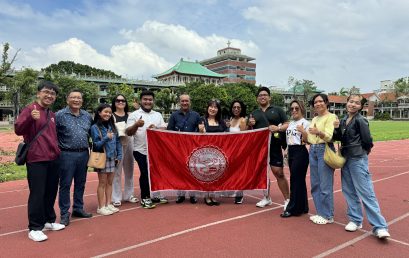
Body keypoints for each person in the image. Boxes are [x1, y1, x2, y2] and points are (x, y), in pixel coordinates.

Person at [333, 94, 390, 238]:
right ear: (347, 103)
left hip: (357, 158)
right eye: (351, 101)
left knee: (366, 192)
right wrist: (336, 128)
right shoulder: (344, 119)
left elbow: (367, 141)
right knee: (349, 190)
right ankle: (355, 219)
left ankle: (380, 226)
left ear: (361, 106)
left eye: (357, 103)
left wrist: (362, 153)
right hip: (345, 157)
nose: (353, 104)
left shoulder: (361, 120)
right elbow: (339, 137)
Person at [15, 80, 65, 242]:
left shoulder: (51, 114)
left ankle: (49, 220)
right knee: (37, 193)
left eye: (53, 94)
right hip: (37, 159)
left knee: (51, 192)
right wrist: (30, 118)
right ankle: (35, 228)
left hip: (53, 158)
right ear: (38, 93)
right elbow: (18, 130)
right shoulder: (30, 109)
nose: (49, 95)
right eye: (46, 92)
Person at [248, 87, 290, 209]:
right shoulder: (254, 113)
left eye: (265, 94)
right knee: (262, 174)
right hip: (259, 148)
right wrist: (249, 124)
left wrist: (278, 128)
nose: (263, 97)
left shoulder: (278, 110)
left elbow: (288, 124)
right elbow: (248, 131)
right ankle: (266, 197)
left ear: (269, 97)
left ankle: (288, 199)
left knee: (279, 172)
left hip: (275, 146)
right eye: (260, 95)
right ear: (257, 99)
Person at [56, 89, 93, 226]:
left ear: (82, 101)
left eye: (79, 98)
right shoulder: (59, 115)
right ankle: (64, 213)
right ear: (67, 100)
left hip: (84, 153)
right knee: (65, 184)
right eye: (73, 97)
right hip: (66, 154)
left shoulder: (87, 116)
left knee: (81, 183)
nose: (76, 100)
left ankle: (78, 208)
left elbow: (92, 133)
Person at [126, 90, 167, 209]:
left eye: (150, 100)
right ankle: (145, 197)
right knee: (145, 173)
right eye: (145, 99)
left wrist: (156, 128)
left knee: (154, 173)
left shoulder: (158, 115)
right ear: (140, 101)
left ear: (153, 101)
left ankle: (154, 195)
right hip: (140, 149)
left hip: (155, 150)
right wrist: (136, 125)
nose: (147, 102)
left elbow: (164, 129)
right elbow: (128, 132)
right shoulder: (134, 115)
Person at [307, 93, 337, 225]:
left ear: (326, 103)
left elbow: (330, 137)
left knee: (325, 185)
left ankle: (328, 215)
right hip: (313, 149)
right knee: (315, 184)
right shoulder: (314, 119)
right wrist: (304, 133)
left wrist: (318, 132)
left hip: (324, 149)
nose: (317, 104)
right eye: (315, 102)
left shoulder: (331, 117)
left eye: (320, 101)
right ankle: (320, 213)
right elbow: (310, 138)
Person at [167, 93, 201, 204]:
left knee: (193, 171)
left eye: (187, 101)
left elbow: (201, 132)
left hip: (192, 148)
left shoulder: (196, 115)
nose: (185, 103)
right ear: (179, 102)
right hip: (178, 149)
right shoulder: (174, 116)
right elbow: (169, 132)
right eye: (182, 101)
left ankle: (193, 194)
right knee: (179, 172)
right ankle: (180, 194)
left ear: (190, 102)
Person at [91, 104, 122, 216]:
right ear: (99, 113)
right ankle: (101, 206)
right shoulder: (95, 127)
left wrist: (119, 156)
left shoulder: (112, 127)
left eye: (109, 112)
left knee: (110, 182)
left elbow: (118, 142)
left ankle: (108, 204)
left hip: (112, 158)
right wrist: (106, 138)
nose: (108, 114)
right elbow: (96, 145)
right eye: (105, 112)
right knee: (102, 183)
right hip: (102, 157)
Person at [280, 100, 310, 218]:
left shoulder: (306, 123)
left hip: (300, 152)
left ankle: (292, 209)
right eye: (292, 108)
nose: (294, 110)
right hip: (291, 151)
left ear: (301, 109)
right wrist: (287, 150)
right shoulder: (291, 123)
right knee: (299, 181)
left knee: (295, 180)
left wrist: (303, 132)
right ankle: (303, 207)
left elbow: (308, 141)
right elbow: (289, 138)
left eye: (296, 108)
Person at [198, 99, 228, 206]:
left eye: (215, 107)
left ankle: (214, 195)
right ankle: (207, 195)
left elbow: (228, 136)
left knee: (216, 174)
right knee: (206, 174)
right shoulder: (202, 120)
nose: (213, 109)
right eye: (211, 106)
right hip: (205, 153)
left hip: (218, 153)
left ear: (218, 110)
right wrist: (201, 131)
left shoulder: (221, 122)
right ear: (207, 108)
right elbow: (196, 138)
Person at [111, 95, 138, 207]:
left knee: (129, 170)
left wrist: (137, 109)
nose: (121, 102)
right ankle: (116, 197)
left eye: (123, 100)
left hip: (130, 142)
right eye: (118, 100)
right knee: (116, 172)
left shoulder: (131, 115)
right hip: (117, 144)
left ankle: (129, 194)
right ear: (114, 102)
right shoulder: (111, 115)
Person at [228, 100, 247, 204]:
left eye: (238, 107)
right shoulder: (231, 120)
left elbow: (244, 138)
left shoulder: (243, 120)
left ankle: (239, 194)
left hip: (239, 150)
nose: (236, 109)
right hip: (231, 150)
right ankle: (233, 190)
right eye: (234, 107)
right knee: (232, 172)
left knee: (239, 173)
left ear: (241, 109)